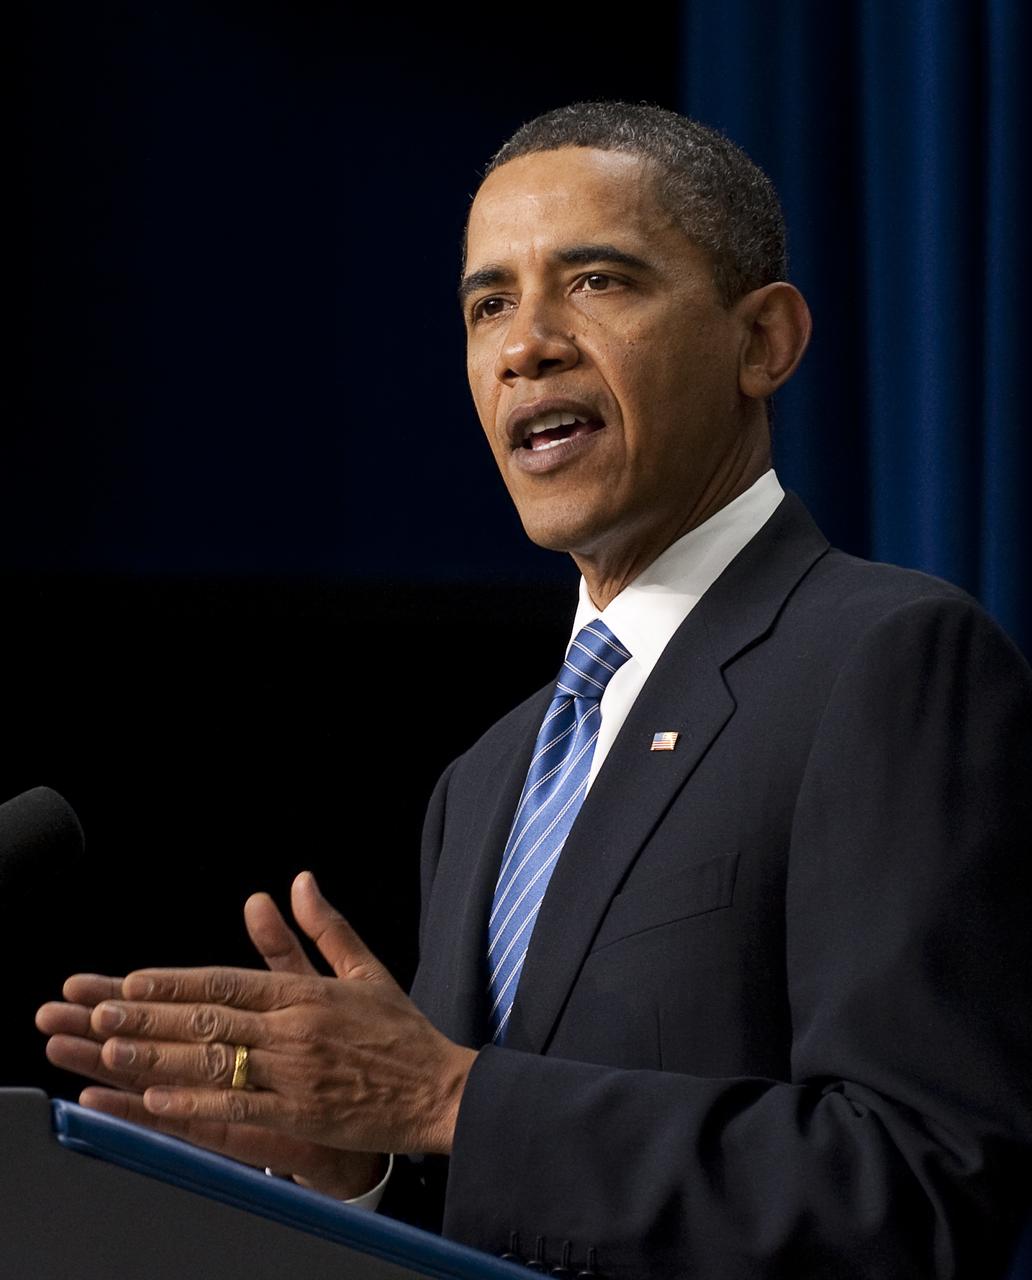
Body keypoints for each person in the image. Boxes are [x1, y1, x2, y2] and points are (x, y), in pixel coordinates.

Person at [36, 102, 1032, 1278]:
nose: (527, 346)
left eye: (597, 282)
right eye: (489, 305)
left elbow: (918, 1183)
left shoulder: (886, 661)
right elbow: (491, 1190)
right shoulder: (486, 780)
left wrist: (448, 1097)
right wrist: (362, 1164)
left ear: (764, 341)